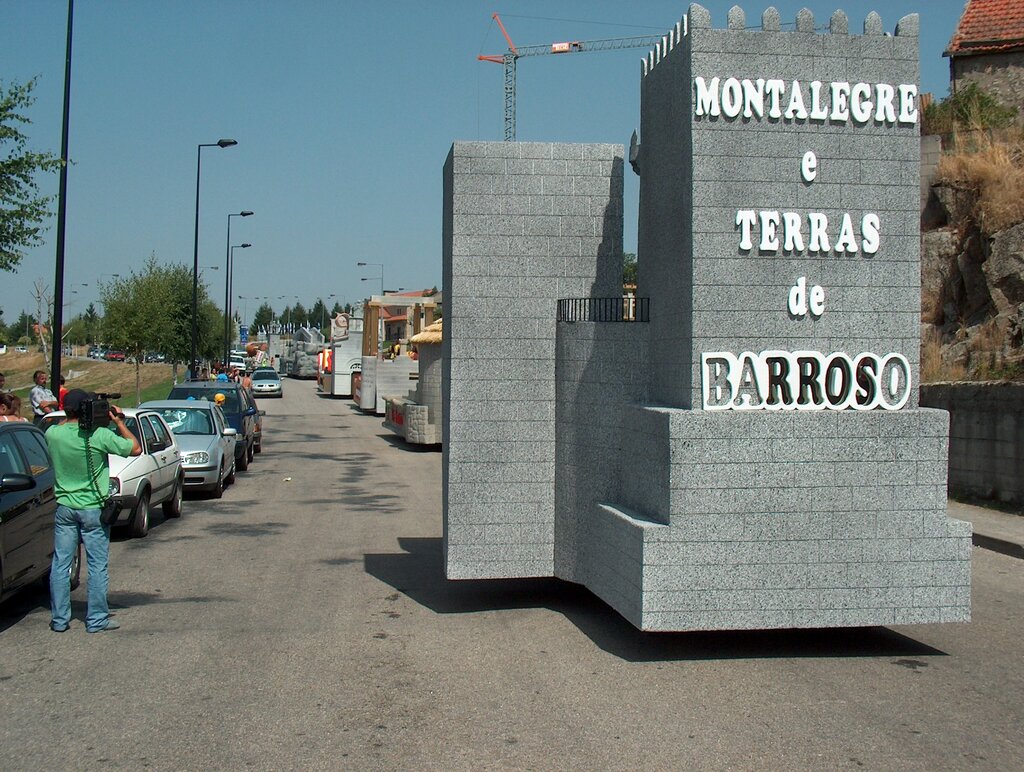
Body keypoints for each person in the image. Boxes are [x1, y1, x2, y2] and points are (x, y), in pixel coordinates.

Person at [46, 390, 141, 633]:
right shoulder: (98, 435)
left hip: (65, 506)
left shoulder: (53, 433)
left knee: (61, 564)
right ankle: (97, 619)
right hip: (93, 508)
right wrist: (118, 421)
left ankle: (59, 619)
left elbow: (63, 426)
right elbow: (135, 448)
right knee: (97, 565)